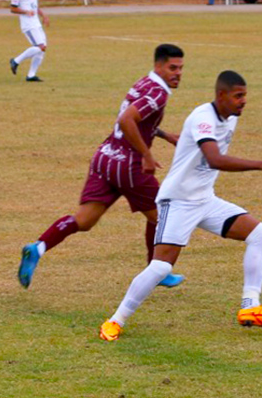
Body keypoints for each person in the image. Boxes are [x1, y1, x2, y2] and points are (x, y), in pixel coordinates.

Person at [98, 70, 262, 342]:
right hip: (177, 201)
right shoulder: (204, 117)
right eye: (238, 96)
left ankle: (250, 308)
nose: (243, 101)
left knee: (260, 235)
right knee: (161, 267)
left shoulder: (230, 118)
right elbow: (214, 159)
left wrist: (168, 134)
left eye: (245, 95)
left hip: (205, 200)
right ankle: (114, 321)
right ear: (221, 95)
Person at [18, 45, 189, 291]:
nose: (178, 73)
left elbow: (135, 119)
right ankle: (157, 270)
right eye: (173, 68)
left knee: (84, 220)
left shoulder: (144, 83)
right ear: (159, 66)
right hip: (127, 164)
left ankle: (38, 248)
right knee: (161, 217)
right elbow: (127, 119)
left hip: (105, 156)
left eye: (181, 68)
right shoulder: (158, 93)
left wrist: (164, 134)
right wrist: (147, 154)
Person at [9, 0, 48, 82]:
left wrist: (43, 15)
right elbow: (12, 9)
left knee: (42, 49)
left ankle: (31, 75)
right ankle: (16, 61)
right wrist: (26, 12)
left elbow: (35, 6)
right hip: (28, 25)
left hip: (36, 23)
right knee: (41, 47)